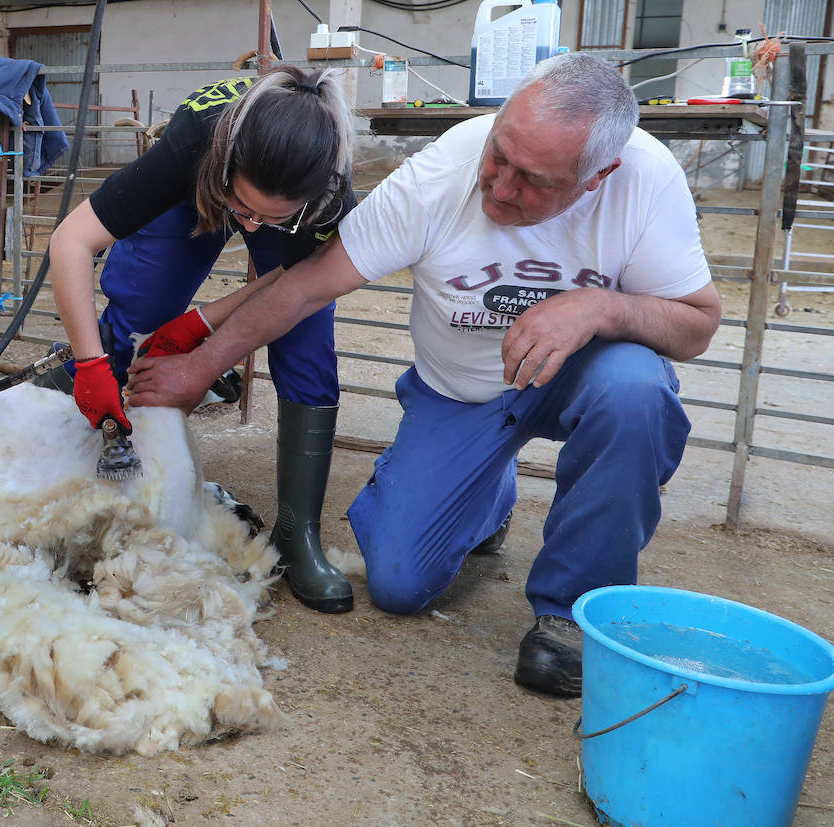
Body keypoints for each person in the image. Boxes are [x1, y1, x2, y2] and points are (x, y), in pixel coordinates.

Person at [127, 52, 722, 697]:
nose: (498, 188)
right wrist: (201, 365)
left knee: (636, 388)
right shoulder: (446, 170)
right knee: (399, 583)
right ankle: (487, 493)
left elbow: (695, 325)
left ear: (598, 175)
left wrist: (599, 307)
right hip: (461, 394)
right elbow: (305, 287)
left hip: (580, 380)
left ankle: (573, 614)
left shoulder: (646, 179)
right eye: (499, 155)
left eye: (533, 180)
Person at [45, 66, 358, 614]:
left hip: (280, 215)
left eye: (271, 217)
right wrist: (90, 361)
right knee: (145, 306)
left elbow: (291, 281)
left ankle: (297, 529)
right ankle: (82, 415)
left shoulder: (327, 195)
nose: (254, 228)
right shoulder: (194, 143)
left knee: (306, 343)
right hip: (195, 184)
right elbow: (72, 240)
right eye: (245, 211)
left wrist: (205, 330)